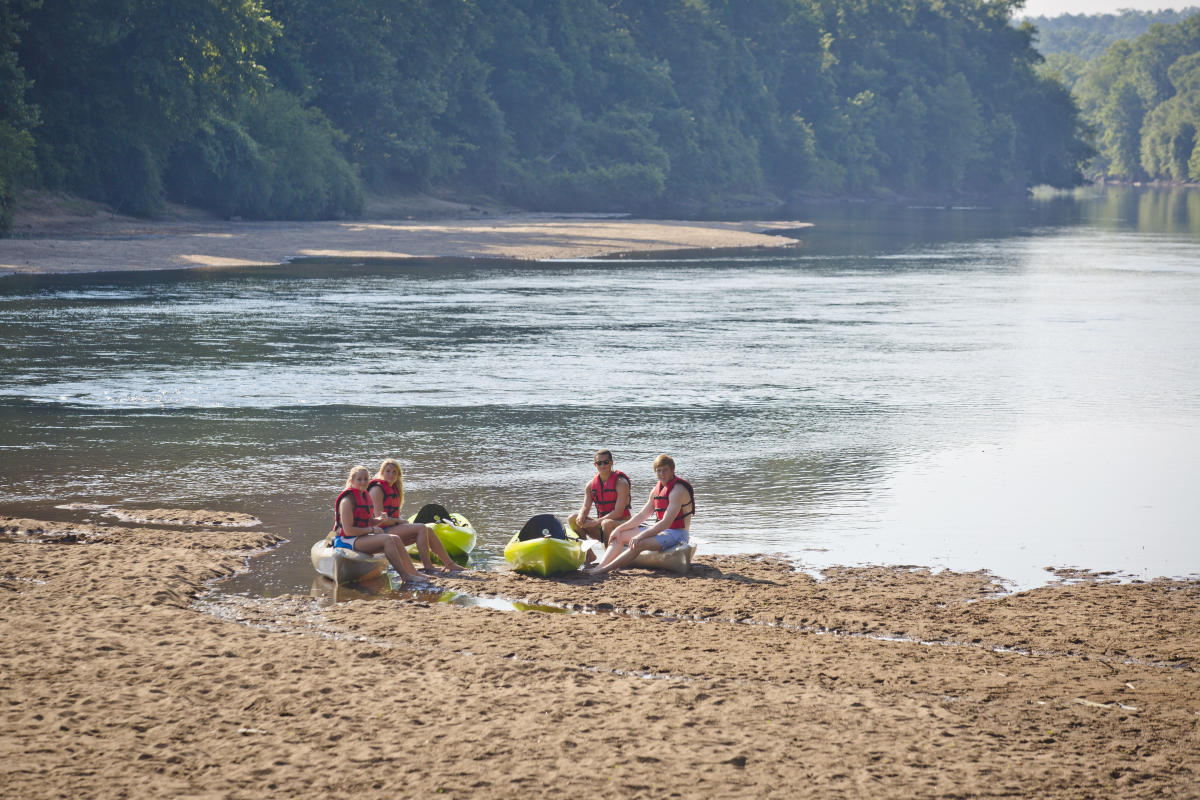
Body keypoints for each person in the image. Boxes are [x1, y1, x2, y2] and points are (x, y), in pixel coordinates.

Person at [585, 454, 694, 575]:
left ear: (672, 470)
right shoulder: (655, 490)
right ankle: (601, 565)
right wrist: (619, 529)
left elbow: (666, 523)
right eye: (659, 471)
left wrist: (640, 536)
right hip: (662, 532)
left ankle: (604, 570)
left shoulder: (677, 490)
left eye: (665, 470)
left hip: (678, 534)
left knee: (638, 544)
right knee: (618, 536)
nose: (662, 474)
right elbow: (642, 515)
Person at [367, 458, 465, 573]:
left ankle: (449, 563)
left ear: (398, 475)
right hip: (379, 533)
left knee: (428, 530)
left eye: (394, 472)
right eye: (388, 471)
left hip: (391, 529)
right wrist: (400, 521)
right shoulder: (377, 489)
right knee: (421, 528)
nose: (391, 474)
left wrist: (399, 521)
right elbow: (381, 520)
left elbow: (391, 517)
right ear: (382, 472)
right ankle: (428, 566)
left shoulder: (394, 488)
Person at [567, 449, 631, 562]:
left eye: (606, 462)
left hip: (622, 525)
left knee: (606, 523)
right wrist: (581, 515)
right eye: (599, 463)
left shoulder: (621, 483)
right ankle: (589, 555)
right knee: (573, 519)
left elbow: (618, 512)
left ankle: (608, 559)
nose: (603, 465)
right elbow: (586, 506)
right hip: (603, 525)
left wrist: (596, 522)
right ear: (595, 465)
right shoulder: (590, 485)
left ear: (611, 463)